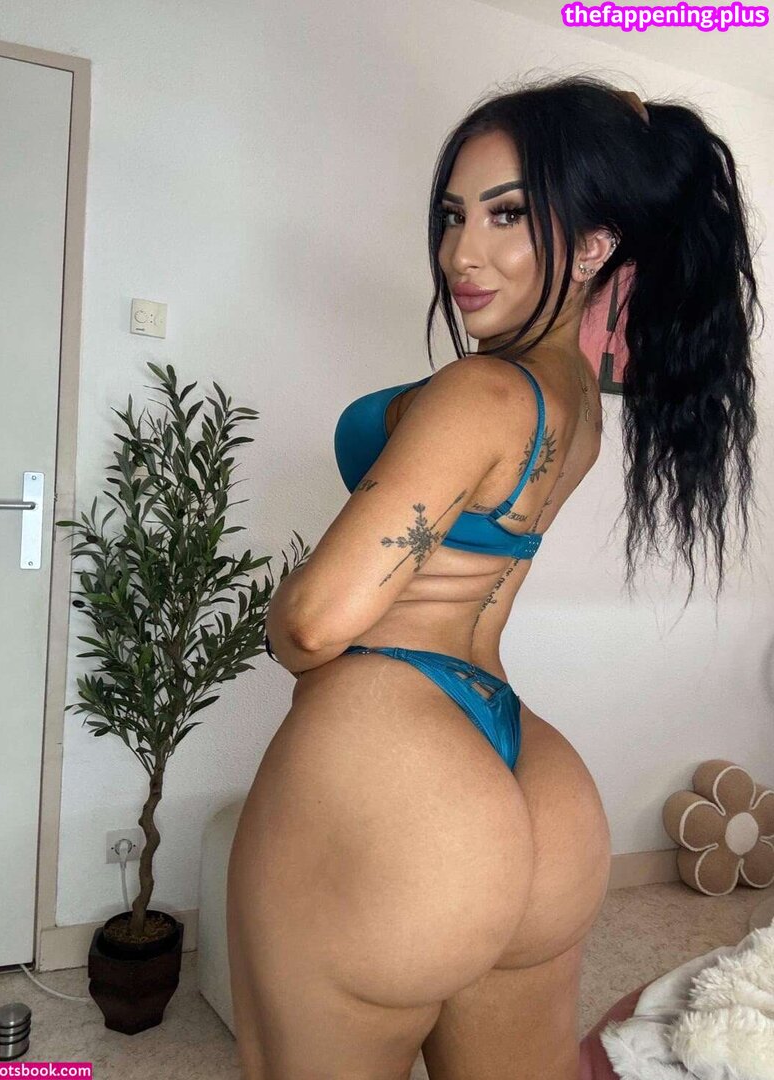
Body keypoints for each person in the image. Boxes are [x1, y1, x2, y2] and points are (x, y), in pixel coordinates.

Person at [227, 73, 761, 1080]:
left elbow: (314, 624)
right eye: (451, 215)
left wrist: (285, 605)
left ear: (594, 246)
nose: (460, 254)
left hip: (394, 765)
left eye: (507, 215)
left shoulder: (478, 388)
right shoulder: (577, 403)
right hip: (530, 783)